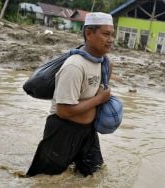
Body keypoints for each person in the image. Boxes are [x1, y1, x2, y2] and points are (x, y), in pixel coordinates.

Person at [26, 12, 115, 177]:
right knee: (44, 180)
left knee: (95, 176)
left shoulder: (104, 63)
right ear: (89, 33)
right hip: (62, 132)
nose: (111, 40)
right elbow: (64, 111)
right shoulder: (74, 66)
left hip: (87, 133)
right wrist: (99, 99)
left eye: (112, 35)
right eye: (106, 34)